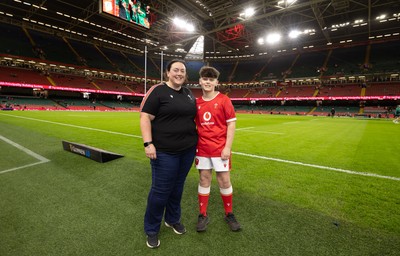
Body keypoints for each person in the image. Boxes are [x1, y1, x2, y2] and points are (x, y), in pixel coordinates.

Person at [140, 59, 198, 249]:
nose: (179, 73)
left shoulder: (189, 94)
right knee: (160, 191)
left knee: (177, 187)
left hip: (187, 150)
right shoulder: (158, 91)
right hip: (165, 152)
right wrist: (148, 143)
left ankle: (172, 219)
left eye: (182, 71)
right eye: (175, 70)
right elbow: (145, 117)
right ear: (167, 72)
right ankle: (151, 229)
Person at [194, 66, 241, 232]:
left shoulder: (224, 100)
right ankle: (203, 214)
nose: (208, 82)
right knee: (204, 179)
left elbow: (231, 124)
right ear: (200, 81)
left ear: (216, 82)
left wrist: (227, 147)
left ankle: (229, 214)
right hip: (202, 148)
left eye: (211, 79)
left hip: (220, 149)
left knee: (224, 180)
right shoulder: (196, 103)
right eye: (205, 79)